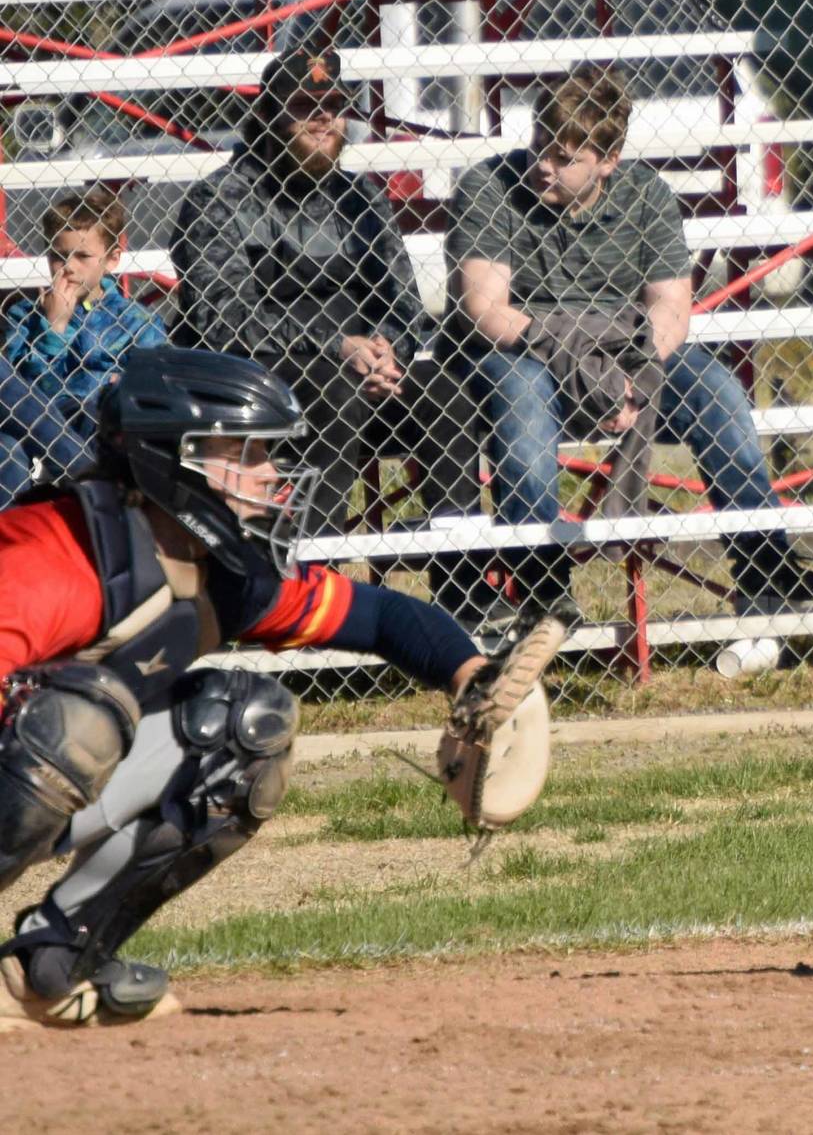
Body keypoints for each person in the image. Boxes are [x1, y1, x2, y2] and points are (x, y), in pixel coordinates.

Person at [0, 347, 547, 1030]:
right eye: (246, 452)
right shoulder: (54, 556)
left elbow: (379, 615)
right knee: (73, 727)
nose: (271, 474)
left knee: (243, 730)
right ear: (173, 456)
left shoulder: (223, 572)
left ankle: (53, 964)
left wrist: (471, 677)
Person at [447, 64, 813, 616]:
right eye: (541, 145)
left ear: (608, 161)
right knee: (525, 397)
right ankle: (541, 581)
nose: (543, 166)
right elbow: (484, 309)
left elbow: (671, 307)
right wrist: (586, 368)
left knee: (714, 385)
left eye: (565, 158)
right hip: (522, 350)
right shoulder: (490, 186)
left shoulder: (645, 194)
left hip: (620, 347)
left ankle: (765, 565)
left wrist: (633, 373)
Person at [172, 46, 491, 622]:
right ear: (270, 117)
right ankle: (309, 585)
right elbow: (221, 318)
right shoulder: (217, 199)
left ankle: (462, 585)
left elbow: (403, 301)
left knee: (447, 390)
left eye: (335, 105)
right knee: (334, 386)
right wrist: (336, 345)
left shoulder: (361, 197)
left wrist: (389, 349)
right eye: (304, 106)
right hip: (263, 380)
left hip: (365, 372)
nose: (324, 118)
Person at [0, 188, 167, 503]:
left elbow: (149, 391)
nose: (68, 267)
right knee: (5, 450)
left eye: (82, 256)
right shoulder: (25, 317)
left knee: (88, 412)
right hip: (35, 429)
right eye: (57, 255)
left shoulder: (135, 323)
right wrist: (54, 328)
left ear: (112, 259)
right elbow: (23, 393)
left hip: (96, 426)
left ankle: (91, 483)